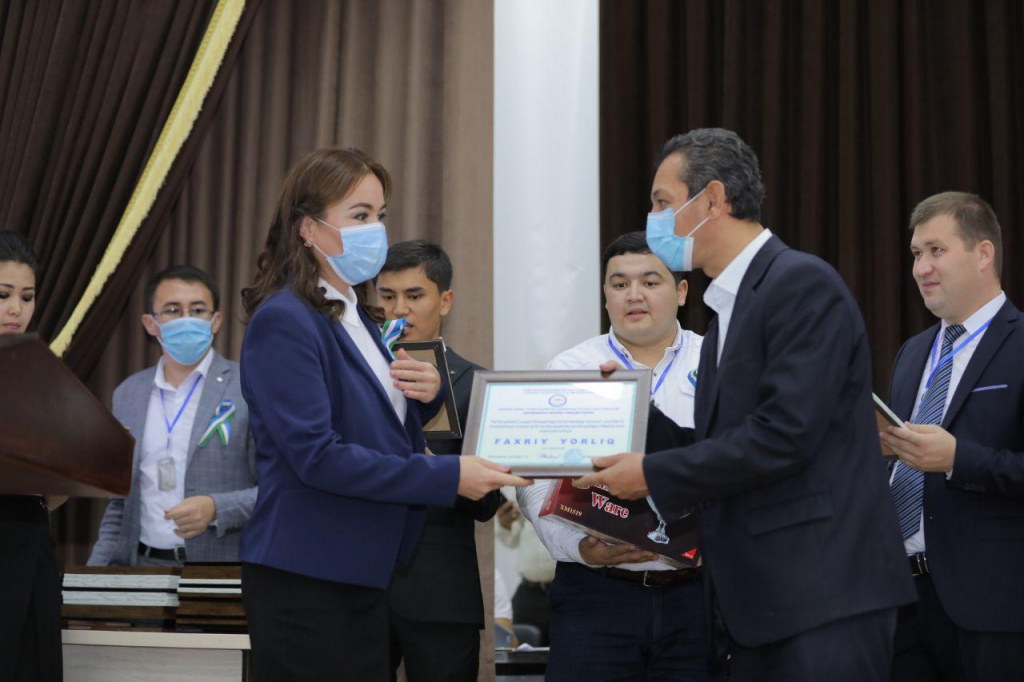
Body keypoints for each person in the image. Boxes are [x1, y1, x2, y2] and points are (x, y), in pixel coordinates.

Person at [578, 128, 916, 680]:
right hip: (761, 603)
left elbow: (785, 434)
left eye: (663, 203)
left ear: (712, 200)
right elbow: (720, 445)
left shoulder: (800, 284)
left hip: (821, 594)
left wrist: (653, 474)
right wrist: (629, 412)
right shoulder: (727, 309)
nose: (654, 220)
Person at [237, 148, 528, 681]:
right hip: (307, 574)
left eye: (381, 214)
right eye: (360, 216)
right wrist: (448, 475)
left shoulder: (358, 318)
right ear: (308, 229)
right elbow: (317, 457)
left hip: (362, 574)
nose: (377, 230)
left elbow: (385, 435)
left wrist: (431, 398)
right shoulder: (285, 319)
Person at [518, 231, 709, 681]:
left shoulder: (720, 361)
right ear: (605, 295)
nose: (634, 295)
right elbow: (533, 485)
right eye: (619, 284)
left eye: (650, 281)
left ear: (681, 292)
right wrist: (581, 549)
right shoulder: (570, 369)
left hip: (699, 598)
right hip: (596, 595)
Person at [879, 192, 1024, 681]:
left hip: (993, 610)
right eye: (917, 254)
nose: (921, 268)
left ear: (983, 254)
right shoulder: (912, 353)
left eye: (936, 251)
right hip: (903, 600)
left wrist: (959, 459)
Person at [375, 239, 502, 682]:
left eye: (414, 296)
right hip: (358, 587)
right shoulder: (352, 376)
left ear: (445, 301)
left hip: (441, 593)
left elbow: (487, 505)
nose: (399, 310)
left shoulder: (476, 384)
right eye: (387, 296)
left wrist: (436, 472)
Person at [89, 265, 257, 567]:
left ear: (215, 321)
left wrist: (217, 508)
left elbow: (276, 488)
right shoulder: (127, 394)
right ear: (151, 323)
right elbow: (119, 503)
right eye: (172, 310)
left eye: (197, 310)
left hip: (220, 572)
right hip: (142, 567)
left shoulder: (247, 387)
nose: (186, 320)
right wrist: (93, 578)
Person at [0, 230, 64, 682]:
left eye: (27, 296)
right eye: (3, 295)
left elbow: (53, 496)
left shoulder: (45, 378)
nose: (15, 309)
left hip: (30, 552)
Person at [495, 494, 556, 645]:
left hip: (568, 588)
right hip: (529, 590)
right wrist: (506, 524)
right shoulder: (523, 478)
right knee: (513, 651)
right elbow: (511, 540)